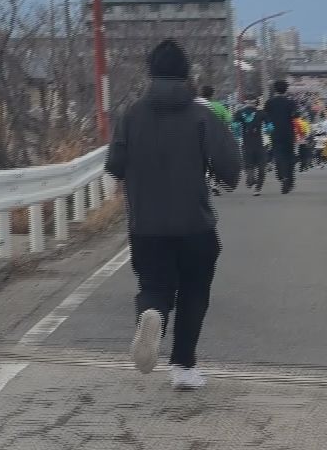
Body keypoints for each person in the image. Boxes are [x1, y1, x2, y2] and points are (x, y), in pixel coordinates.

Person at [106, 39, 240, 391]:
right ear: (186, 73)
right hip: (195, 223)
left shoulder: (131, 115)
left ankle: (152, 315)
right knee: (195, 290)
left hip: (146, 225)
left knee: (154, 286)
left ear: (150, 72)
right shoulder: (202, 115)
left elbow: (115, 165)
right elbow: (229, 168)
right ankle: (183, 367)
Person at [262, 80, 299, 194]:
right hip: (288, 133)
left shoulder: (269, 102)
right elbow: (296, 115)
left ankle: (282, 176)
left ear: (275, 89)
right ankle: (289, 180)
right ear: (286, 89)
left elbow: (265, 116)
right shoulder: (291, 102)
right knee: (289, 157)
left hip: (275, 133)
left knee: (278, 155)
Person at [232, 96, 267, 195]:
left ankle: (251, 180)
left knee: (250, 166)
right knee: (260, 167)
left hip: (248, 144)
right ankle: (257, 187)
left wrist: (237, 134)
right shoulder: (261, 113)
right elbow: (270, 127)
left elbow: (234, 126)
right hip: (259, 144)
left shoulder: (239, 113)